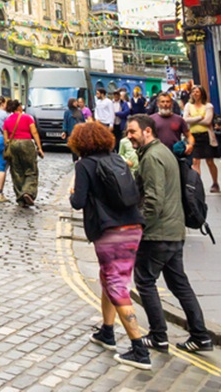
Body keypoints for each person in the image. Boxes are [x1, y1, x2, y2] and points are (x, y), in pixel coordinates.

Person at [125, 114, 214, 355]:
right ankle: (200, 336)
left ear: (147, 132)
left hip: (158, 233)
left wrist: (140, 227)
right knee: (179, 284)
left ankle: (157, 336)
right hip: (174, 230)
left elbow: (154, 199)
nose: (128, 135)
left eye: (132, 131)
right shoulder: (164, 152)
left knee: (144, 281)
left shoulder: (152, 157)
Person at [67, 120, 149, 369]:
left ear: (79, 143)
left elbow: (78, 202)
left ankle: (139, 350)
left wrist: (72, 191)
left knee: (115, 284)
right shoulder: (117, 160)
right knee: (109, 277)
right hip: (132, 226)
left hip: (108, 230)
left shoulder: (84, 165)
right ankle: (107, 331)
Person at [3, 99, 43, 206]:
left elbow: (6, 139)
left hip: (13, 145)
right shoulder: (27, 118)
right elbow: (34, 132)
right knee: (31, 170)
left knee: (16, 172)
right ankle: (28, 192)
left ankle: (20, 198)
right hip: (26, 144)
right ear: (19, 107)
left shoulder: (7, 120)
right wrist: (39, 147)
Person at [183, 87, 219, 193]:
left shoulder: (208, 106)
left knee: (209, 161)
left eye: (197, 91)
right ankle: (198, 186)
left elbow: (208, 121)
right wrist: (200, 118)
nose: (195, 93)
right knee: (195, 161)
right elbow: (185, 119)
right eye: (193, 91)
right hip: (193, 136)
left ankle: (215, 183)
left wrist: (192, 119)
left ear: (202, 93)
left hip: (206, 136)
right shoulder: (188, 106)